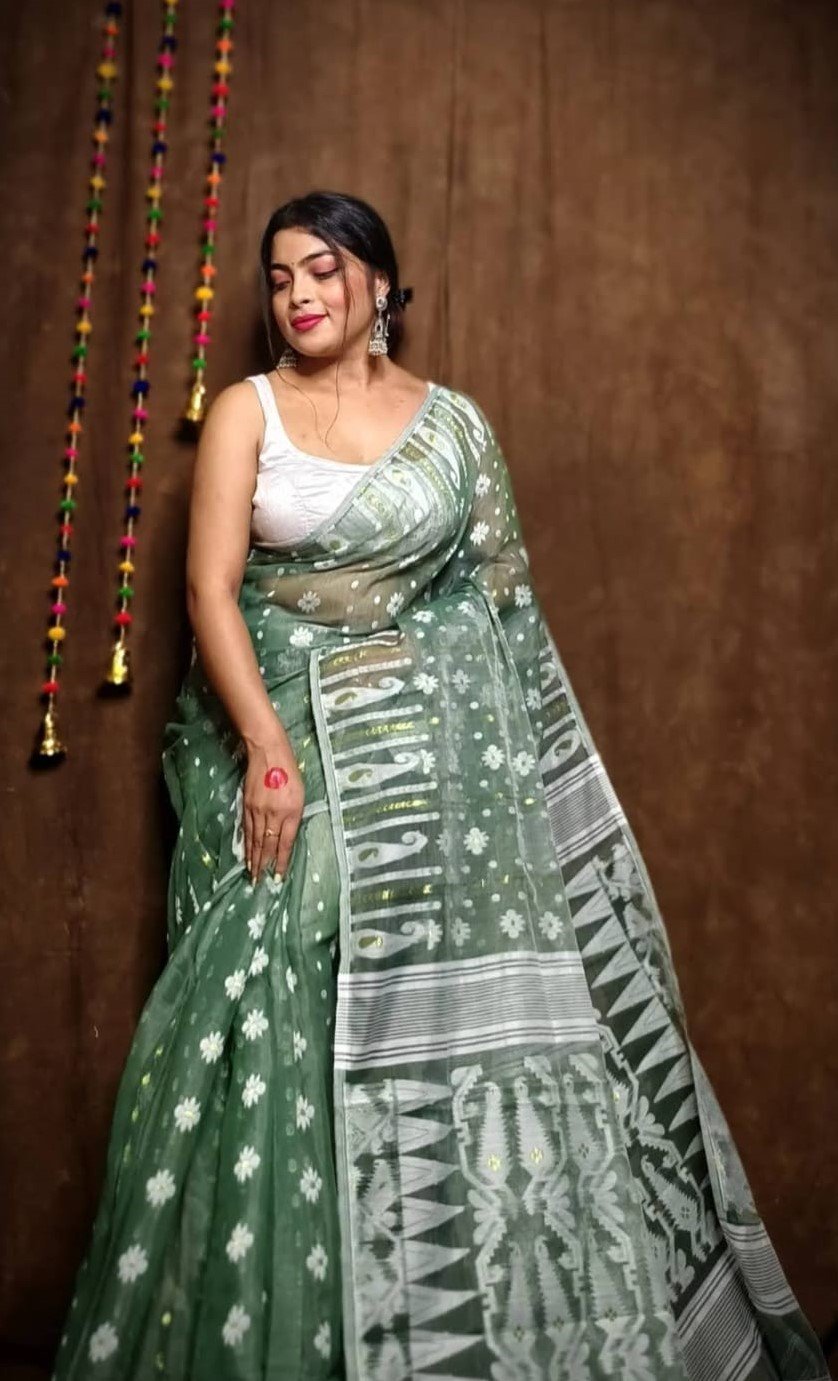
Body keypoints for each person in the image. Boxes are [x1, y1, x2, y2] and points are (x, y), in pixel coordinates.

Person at [52, 189, 830, 1381]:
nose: (299, 294)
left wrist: (458, 730)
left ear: (378, 285)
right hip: (280, 743)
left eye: (323, 270)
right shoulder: (248, 411)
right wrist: (269, 753)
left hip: (436, 777)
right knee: (285, 961)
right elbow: (210, 592)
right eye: (279, 277)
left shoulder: (453, 426)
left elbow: (497, 612)